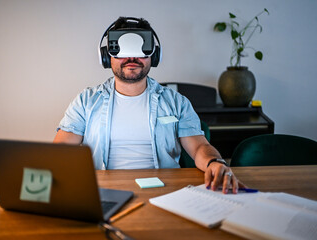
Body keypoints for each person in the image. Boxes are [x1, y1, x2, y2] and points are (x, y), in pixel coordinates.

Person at [54, 17, 246, 194]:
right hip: (103, 191)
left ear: (154, 56)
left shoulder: (176, 102)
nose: (131, 58)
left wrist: (215, 162)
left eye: (140, 49)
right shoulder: (85, 101)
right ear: (107, 56)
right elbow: (61, 149)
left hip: (165, 189)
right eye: (122, 50)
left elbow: (199, 147)